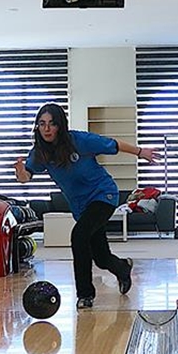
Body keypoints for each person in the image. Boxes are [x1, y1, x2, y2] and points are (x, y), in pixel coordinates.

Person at [14, 103, 160, 309]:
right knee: (101, 257)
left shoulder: (79, 140)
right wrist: (21, 173)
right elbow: (26, 176)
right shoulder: (40, 153)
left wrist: (140, 152)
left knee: (79, 235)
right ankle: (122, 268)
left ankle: (85, 295)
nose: (47, 129)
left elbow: (113, 145)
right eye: (42, 124)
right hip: (81, 207)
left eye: (52, 124)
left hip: (103, 195)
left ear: (60, 125)